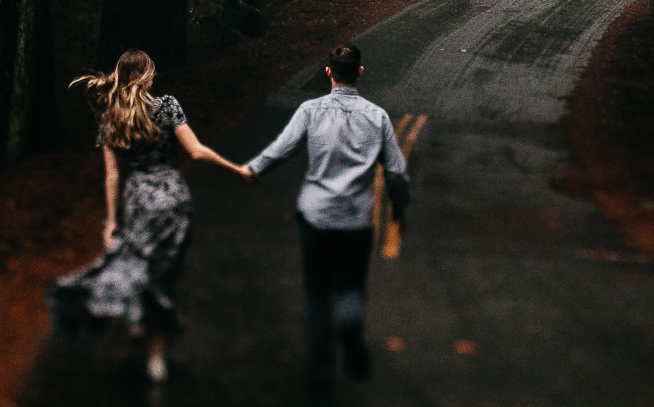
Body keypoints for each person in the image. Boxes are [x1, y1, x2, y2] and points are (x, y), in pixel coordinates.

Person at [46, 49, 251, 384]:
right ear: (147, 74)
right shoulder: (167, 106)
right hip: (173, 200)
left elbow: (112, 177)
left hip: (138, 201)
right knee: (163, 278)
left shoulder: (110, 116)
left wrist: (111, 222)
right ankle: (157, 359)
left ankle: (137, 321)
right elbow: (196, 151)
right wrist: (236, 168)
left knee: (139, 263)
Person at [245, 43, 408, 387]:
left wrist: (253, 169)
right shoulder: (377, 116)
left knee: (317, 290)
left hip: (316, 216)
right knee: (350, 284)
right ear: (360, 72)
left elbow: (281, 149)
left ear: (329, 72)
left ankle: (320, 361)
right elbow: (395, 172)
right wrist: (399, 210)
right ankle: (349, 321)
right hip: (355, 219)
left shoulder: (310, 111)